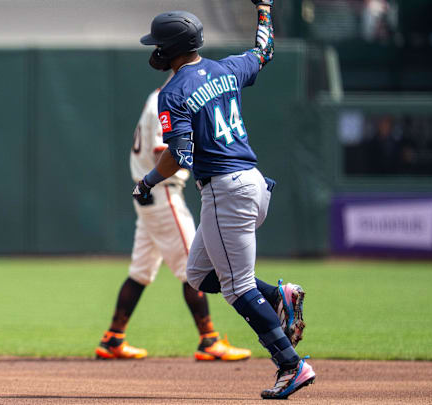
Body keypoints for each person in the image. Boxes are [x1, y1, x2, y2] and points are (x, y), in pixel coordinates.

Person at [133, 1, 315, 399]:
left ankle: (291, 366)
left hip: (225, 192)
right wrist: (264, 9)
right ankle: (278, 296)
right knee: (198, 276)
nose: (155, 49)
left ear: (171, 48)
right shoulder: (226, 68)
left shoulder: (174, 91)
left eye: (159, 43)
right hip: (251, 183)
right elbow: (264, 51)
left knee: (236, 288)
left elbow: (179, 155)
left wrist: (147, 182)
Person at [95, 84, 252, 362]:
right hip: (162, 191)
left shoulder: (157, 96)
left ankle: (113, 338)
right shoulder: (164, 100)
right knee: (194, 267)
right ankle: (209, 341)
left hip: (151, 194)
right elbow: (161, 153)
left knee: (141, 271)